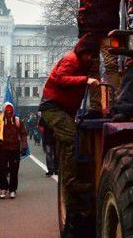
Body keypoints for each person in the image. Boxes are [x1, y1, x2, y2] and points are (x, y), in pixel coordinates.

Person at [39, 35, 101, 227]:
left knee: (75, 140)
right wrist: (86, 80)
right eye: (90, 55)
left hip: (63, 109)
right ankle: (71, 181)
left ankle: (70, 173)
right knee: (71, 138)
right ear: (83, 53)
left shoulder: (82, 63)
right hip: (52, 107)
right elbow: (60, 79)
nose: (92, 58)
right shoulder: (70, 59)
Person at [0, 102, 28, 199]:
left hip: (14, 149)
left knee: (14, 170)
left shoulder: (17, 120)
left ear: (13, 111)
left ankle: (12, 189)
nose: (9, 112)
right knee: (1, 170)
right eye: (7, 110)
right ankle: (3, 188)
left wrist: (24, 146)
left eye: (10, 110)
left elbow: (23, 134)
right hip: (2, 149)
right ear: (4, 110)